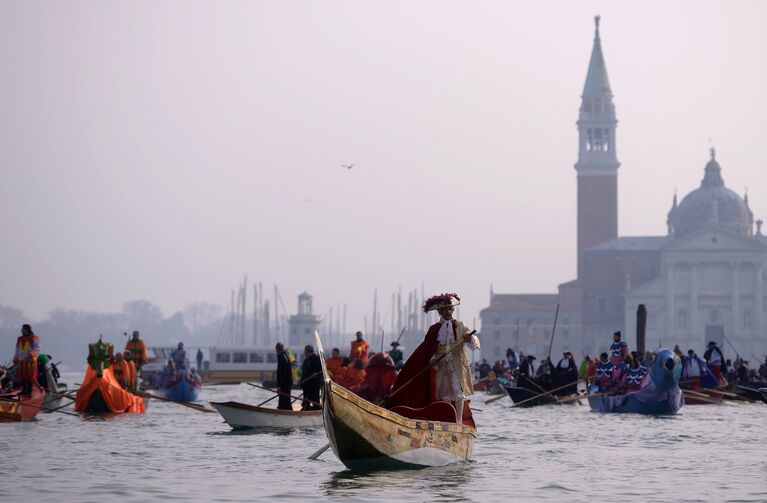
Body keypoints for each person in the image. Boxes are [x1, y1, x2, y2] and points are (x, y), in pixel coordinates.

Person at [387, 293, 480, 425]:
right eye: (444, 310)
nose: (448, 312)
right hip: (441, 365)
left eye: (449, 309)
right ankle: (446, 417)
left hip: (457, 363)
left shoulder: (460, 326)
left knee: (458, 390)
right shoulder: (434, 329)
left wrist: (469, 338)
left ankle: (458, 420)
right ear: (440, 312)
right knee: (443, 392)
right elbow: (429, 348)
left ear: (453, 310)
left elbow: (474, 341)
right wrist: (433, 358)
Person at [14, 324, 41, 396]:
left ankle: (29, 391)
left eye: (23, 329)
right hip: (21, 360)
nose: (22, 330)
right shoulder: (19, 338)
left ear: (27, 330)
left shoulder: (34, 338)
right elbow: (17, 349)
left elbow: (37, 348)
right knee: (22, 376)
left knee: (30, 376)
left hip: (30, 360)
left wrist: (32, 355)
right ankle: (24, 390)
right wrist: (15, 357)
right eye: (22, 329)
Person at [300, 345, 323, 411]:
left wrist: (316, 374)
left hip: (314, 385)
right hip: (306, 385)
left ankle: (316, 412)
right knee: (306, 401)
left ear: (307, 351)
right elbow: (304, 373)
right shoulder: (306, 360)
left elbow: (322, 371)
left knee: (315, 401)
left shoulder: (317, 359)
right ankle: (306, 408)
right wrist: (301, 382)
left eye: (305, 351)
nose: (304, 353)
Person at [275, 343, 293, 410]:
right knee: (284, 400)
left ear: (277, 349)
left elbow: (284, 373)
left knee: (285, 400)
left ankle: (286, 412)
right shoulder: (284, 356)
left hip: (285, 384)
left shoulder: (282, 357)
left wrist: (280, 385)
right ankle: (282, 409)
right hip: (286, 383)